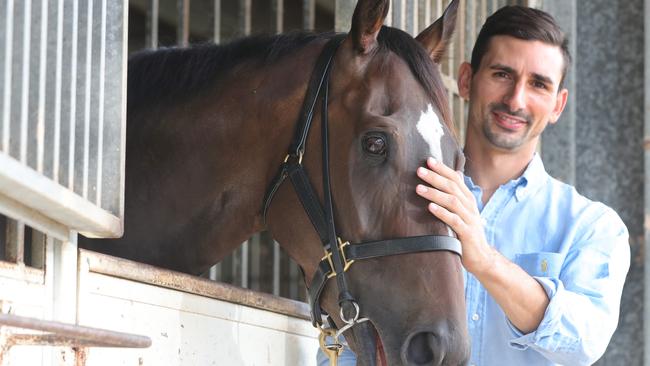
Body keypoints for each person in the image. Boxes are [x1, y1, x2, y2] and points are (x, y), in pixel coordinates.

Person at [317, 5, 630, 366]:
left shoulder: (591, 226)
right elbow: (339, 342)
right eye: (502, 74)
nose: (516, 100)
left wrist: (485, 261)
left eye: (538, 84)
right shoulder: (399, 196)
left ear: (558, 105)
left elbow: (583, 342)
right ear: (466, 80)